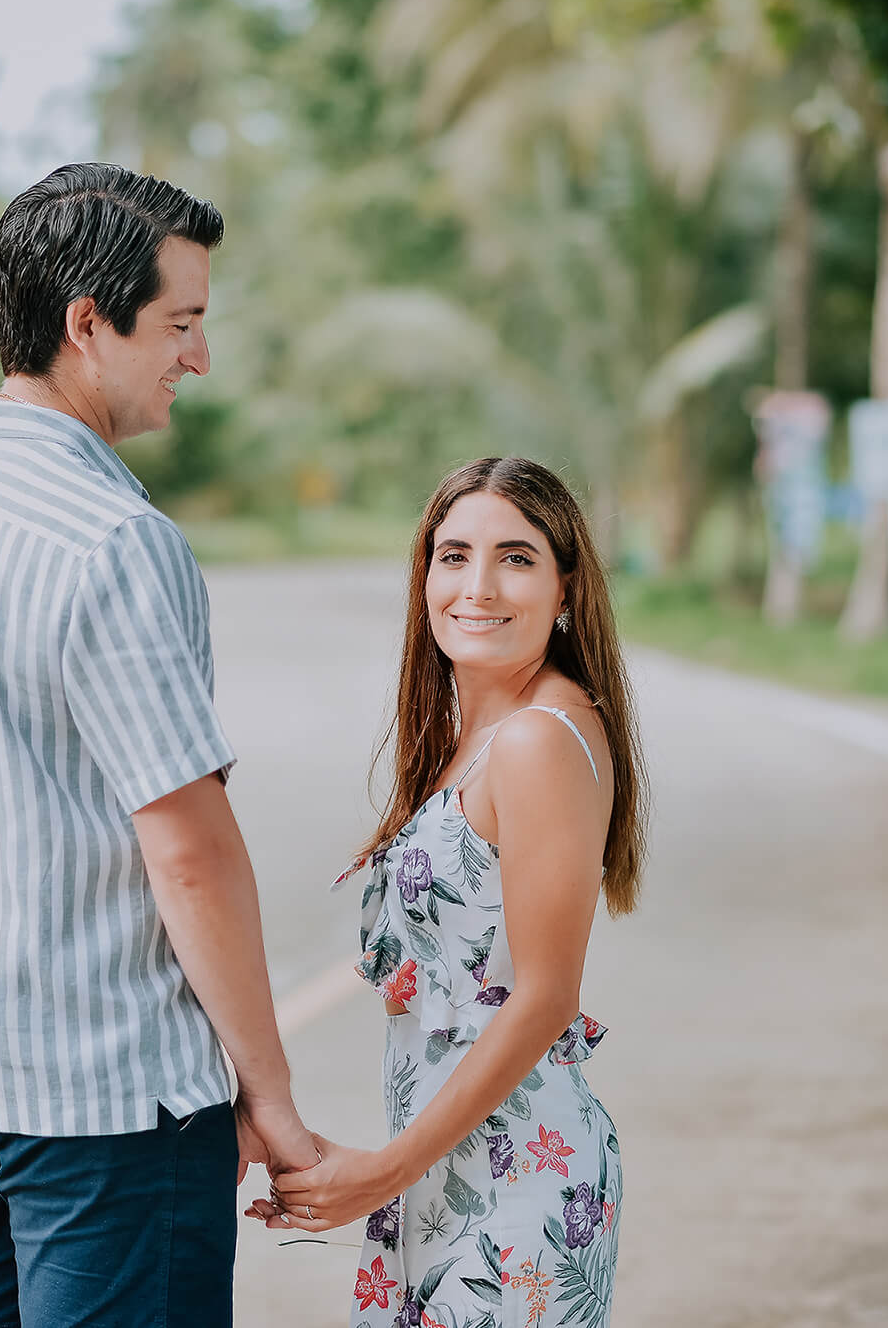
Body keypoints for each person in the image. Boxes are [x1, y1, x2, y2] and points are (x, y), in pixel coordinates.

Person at [0, 162, 313, 1328]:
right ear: (84, 324)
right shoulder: (110, 537)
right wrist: (268, 1091)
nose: (198, 358)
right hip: (109, 1112)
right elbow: (189, 850)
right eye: (180, 324)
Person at [250, 457, 647, 1328]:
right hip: (451, 1172)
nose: (478, 586)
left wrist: (385, 1172)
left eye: (515, 557)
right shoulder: (478, 734)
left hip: (514, 1182)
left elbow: (545, 997)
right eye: (453, 555)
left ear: (566, 586)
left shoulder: (538, 738)